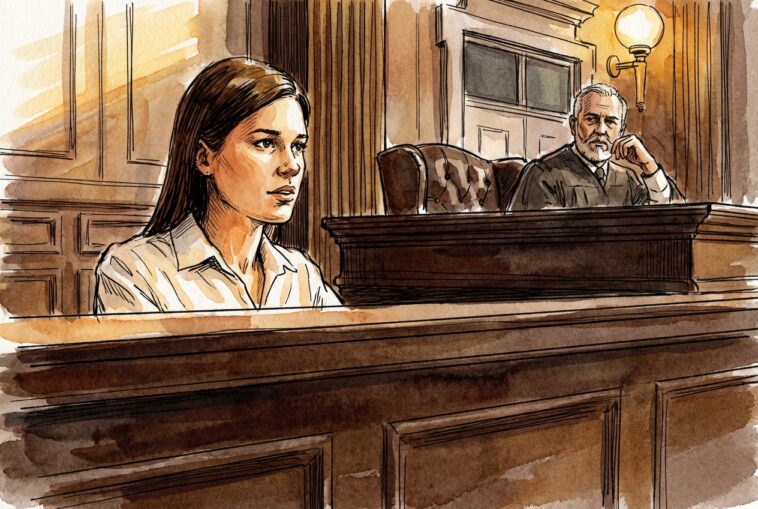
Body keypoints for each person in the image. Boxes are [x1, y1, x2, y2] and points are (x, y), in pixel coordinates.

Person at [94, 58, 341, 313]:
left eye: (298, 146)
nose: (292, 166)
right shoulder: (135, 271)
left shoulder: (302, 276)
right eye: (265, 143)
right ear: (204, 158)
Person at [508, 83, 684, 210]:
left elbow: (671, 218)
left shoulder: (628, 180)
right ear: (574, 125)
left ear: (621, 130)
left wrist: (649, 166)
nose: (601, 130)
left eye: (610, 122)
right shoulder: (542, 174)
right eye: (591, 119)